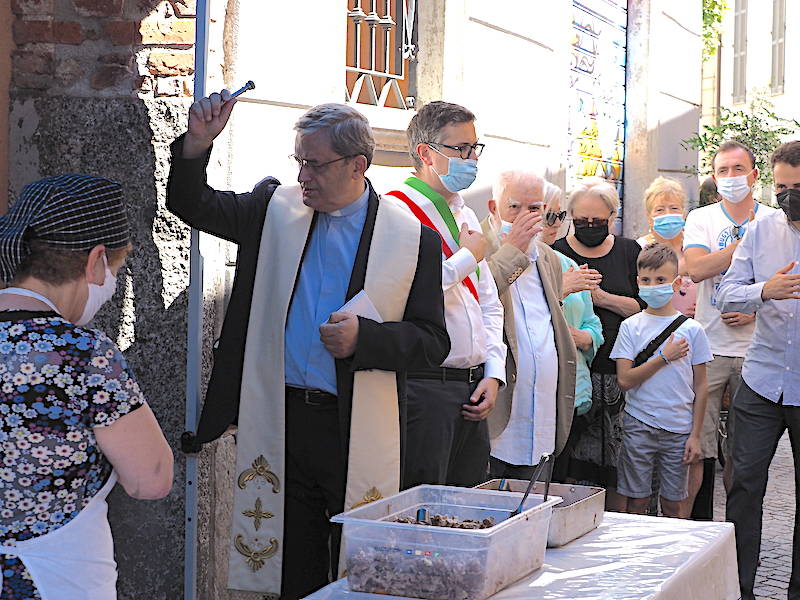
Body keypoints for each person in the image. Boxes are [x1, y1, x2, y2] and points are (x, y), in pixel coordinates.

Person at [167, 94, 449, 599]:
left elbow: (432, 342)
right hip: (281, 420)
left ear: (358, 165)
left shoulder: (411, 238)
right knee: (290, 566)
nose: (304, 177)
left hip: (352, 423)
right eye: (300, 162)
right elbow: (192, 204)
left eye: (315, 164)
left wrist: (367, 339)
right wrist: (196, 146)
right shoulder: (273, 210)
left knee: (355, 567)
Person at [0, 174, 173, 600]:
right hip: (55, 574)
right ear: (95, 261)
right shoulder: (83, 354)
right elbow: (150, 479)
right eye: (114, 270)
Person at [385, 101, 505, 489]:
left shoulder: (464, 213)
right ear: (426, 153)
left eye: (475, 148)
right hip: (425, 384)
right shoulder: (395, 210)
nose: (472, 159)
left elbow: (489, 301)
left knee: (467, 503)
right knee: (424, 501)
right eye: (461, 149)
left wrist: (494, 371)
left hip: (472, 384)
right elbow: (405, 289)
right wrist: (469, 256)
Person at [719, 140, 800, 600]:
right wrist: (764, 290)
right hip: (762, 378)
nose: (789, 198)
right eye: (782, 188)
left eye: (798, 188)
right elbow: (725, 294)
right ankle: (737, 589)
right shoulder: (762, 229)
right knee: (744, 486)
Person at [683, 140, 777, 497]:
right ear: (714, 177)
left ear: (754, 175)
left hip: (757, 351)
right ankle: (695, 529)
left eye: (738, 169)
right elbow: (696, 268)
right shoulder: (701, 218)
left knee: (744, 454)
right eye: (723, 171)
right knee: (696, 448)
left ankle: (738, 533)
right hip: (710, 347)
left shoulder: (775, 219)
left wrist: (751, 304)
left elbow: (783, 281)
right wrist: (745, 243)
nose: (731, 177)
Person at [478, 171, 578, 480]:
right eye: (514, 208)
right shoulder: (474, 245)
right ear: (494, 208)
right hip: (498, 417)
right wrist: (513, 250)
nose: (525, 218)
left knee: (535, 514)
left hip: (542, 413)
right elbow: (477, 300)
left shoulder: (548, 257)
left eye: (534, 209)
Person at [552, 178, 644, 510]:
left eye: (598, 221)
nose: (590, 227)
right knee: (573, 460)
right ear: (571, 217)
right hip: (572, 371)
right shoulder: (557, 253)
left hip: (619, 369)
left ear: (612, 217)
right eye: (582, 221)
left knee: (617, 459)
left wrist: (601, 298)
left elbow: (643, 306)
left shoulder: (628, 251)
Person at [610, 243, 712, 518]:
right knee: (636, 502)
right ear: (637, 281)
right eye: (646, 280)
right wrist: (663, 357)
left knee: (674, 505)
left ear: (676, 282)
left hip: (678, 429)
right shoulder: (630, 326)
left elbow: (701, 387)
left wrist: (695, 435)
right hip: (638, 424)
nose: (652, 286)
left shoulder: (692, 330)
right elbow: (625, 380)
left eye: (660, 280)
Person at [535, 181, 605, 481]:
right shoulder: (515, 262)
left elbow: (592, 322)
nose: (554, 225)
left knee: (560, 478)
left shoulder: (567, 263)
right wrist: (563, 289)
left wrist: (587, 338)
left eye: (559, 216)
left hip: (572, 390)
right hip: (537, 390)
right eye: (547, 216)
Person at [636, 176, 696, 318]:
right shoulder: (639, 249)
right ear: (649, 217)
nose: (668, 214)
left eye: (674, 208)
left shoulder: (695, 244)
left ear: (683, 212)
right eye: (660, 210)